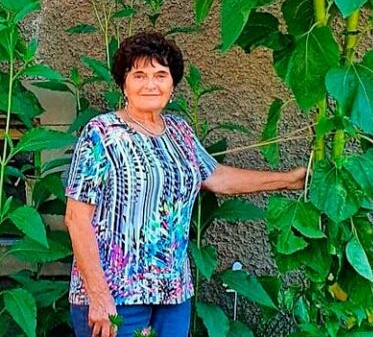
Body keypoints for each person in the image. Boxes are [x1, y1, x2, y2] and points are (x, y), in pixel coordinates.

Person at [64, 31, 307, 337]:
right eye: (139, 75)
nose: (150, 84)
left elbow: (217, 178)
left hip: (172, 293)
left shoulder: (179, 132)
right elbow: (76, 218)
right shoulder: (101, 133)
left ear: (173, 85)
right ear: (123, 83)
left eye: (160, 75)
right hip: (116, 296)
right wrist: (99, 297)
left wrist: (286, 180)